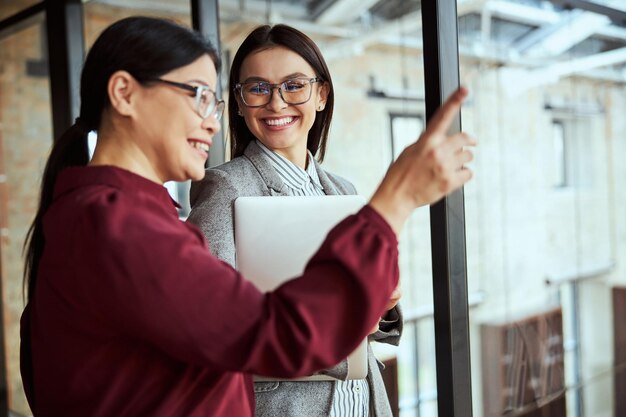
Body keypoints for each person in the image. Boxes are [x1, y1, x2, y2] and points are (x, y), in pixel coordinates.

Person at [20, 15, 475, 417]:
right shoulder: (120, 224)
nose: (212, 122)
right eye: (198, 95)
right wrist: (396, 198)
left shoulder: (124, 214)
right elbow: (271, 335)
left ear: (321, 95)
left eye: (211, 102)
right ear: (124, 93)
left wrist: (379, 305)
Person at [186, 24, 402, 417]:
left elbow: (366, 316)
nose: (277, 103)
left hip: (359, 405)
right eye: (258, 88)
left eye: (294, 85)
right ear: (238, 103)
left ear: (321, 95)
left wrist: (381, 308)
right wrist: (343, 325)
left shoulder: (341, 189)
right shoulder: (225, 189)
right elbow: (216, 328)